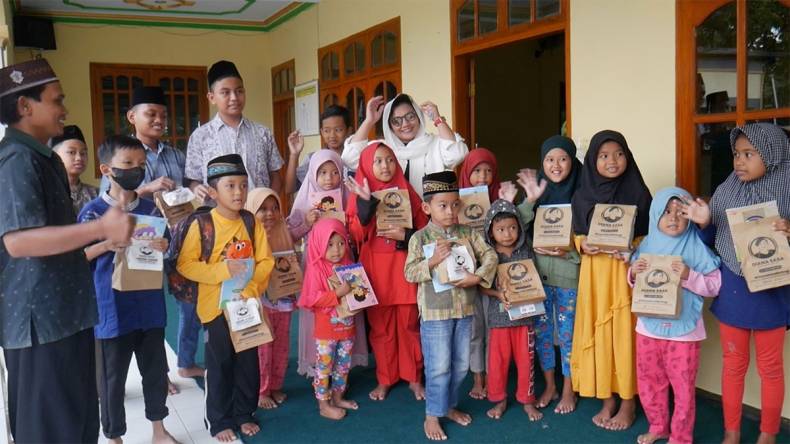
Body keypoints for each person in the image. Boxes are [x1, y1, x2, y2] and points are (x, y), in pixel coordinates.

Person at [0, 58, 133, 443]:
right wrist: (99, 228)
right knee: (50, 431)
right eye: (56, 100)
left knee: (76, 423)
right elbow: (18, 241)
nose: (64, 109)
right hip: (40, 324)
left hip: (65, 314)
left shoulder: (42, 158)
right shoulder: (16, 159)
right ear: (25, 106)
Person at [680, 123, 790, 444]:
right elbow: (709, 240)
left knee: (771, 368)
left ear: (771, 154)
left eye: (749, 154)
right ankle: (732, 431)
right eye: (736, 154)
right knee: (733, 364)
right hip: (735, 290)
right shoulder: (727, 190)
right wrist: (704, 222)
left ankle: (768, 434)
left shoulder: (787, 189)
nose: (739, 161)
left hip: (772, 293)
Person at [79, 135, 176, 444]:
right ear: (107, 169)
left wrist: (163, 245)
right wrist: (107, 244)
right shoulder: (93, 213)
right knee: (112, 379)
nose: (136, 170)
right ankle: (114, 437)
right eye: (128, 163)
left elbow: (165, 244)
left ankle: (159, 430)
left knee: (155, 372)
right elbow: (78, 257)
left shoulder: (151, 209)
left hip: (149, 305)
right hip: (111, 309)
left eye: (141, 164)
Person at [176, 154, 274, 441]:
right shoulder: (203, 224)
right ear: (213, 191)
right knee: (219, 364)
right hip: (214, 308)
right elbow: (186, 264)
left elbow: (265, 261)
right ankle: (218, 420)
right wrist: (223, 270)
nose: (238, 192)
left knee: (247, 363)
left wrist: (250, 289)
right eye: (230, 186)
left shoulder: (250, 222)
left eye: (243, 185)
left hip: (246, 306)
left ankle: (244, 413)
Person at [404, 171, 498, 441]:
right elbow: (409, 273)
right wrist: (432, 261)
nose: (449, 211)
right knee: (438, 367)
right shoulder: (420, 238)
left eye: (454, 205)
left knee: (460, 365)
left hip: (465, 311)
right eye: (442, 205)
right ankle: (432, 415)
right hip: (436, 314)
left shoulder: (468, 233)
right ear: (427, 208)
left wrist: (477, 277)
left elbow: (490, 255)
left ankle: (448, 406)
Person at [570, 130, 652, 431]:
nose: (612, 161)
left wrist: (633, 248)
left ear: (628, 157)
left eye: (619, 154)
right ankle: (607, 398)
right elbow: (576, 235)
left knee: (625, 336)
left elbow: (651, 238)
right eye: (603, 156)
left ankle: (628, 401)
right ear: (593, 160)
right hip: (596, 277)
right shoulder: (582, 196)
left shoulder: (639, 194)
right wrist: (582, 244)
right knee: (600, 333)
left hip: (625, 275)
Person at [627, 187, 721, 444]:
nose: (673, 218)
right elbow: (635, 283)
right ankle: (658, 426)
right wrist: (633, 272)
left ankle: (680, 437)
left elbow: (715, 286)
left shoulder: (697, 247)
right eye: (666, 212)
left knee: (683, 388)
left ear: (690, 215)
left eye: (681, 212)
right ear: (655, 214)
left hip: (684, 333)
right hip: (648, 328)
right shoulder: (647, 244)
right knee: (649, 382)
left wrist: (689, 275)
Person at [345, 142, 429, 401]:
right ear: (366, 165)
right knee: (381, 329)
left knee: (409, 326)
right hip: (375, 273)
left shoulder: (407, 191)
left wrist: (406, 235)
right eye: (378, 161)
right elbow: (355, 234)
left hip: (405, 271)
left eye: (390, 160)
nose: (385, 166)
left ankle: (414, 377)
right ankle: (386, 378)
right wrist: (365, 203)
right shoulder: (360, 193)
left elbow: (426, 231)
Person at [514, 135, 582, 414]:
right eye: (550, 159)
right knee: (542, 334)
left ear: (572, 161)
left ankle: (569, 388)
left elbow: (592, 239)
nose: (556, 165)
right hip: (538, 278)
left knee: (568, 337)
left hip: (569, 278)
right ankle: (550, 384)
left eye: (563, 158)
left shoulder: (582, 192)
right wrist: (530, 200)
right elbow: (513, 227)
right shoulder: (537, 191)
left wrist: (569, 252)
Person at [186, 60, 284, 202]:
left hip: (258, 213)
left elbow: (276, 176)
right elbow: (193, 179)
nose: (234, 98)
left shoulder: (263, 133)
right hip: (217, 214)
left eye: (239, 91)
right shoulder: (200, 137)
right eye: (225, 92)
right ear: (212, 98)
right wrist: (196, 188)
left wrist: (266, 204)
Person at [479, 199, 542, 421]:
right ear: (491, 231)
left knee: (526, 361)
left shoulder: (525, 251)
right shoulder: (488, 255)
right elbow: (481, 286)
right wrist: (498, 294)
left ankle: (527, 400)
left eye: (513, 227)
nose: (508, 234)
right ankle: (499, 399)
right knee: (497, 363)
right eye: (501, 229)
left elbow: (533, 280)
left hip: (525, 318)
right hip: (499, 320)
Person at [342, 94, 468, 196]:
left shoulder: (434, 144)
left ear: (419, 117)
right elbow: (350, 159)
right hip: (391, 217)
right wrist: (369, 121)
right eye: (396, 121)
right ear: (389, 126)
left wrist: (438, 119)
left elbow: (457, 154)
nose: (405, 124)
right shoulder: (382, 148)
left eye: (410, 117)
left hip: (430, 217)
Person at [299, 218, 361, 420]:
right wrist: (337, 293)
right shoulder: (316, 268)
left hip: (347, 328)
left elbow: (359, 293)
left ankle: (337, 397)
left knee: (343, 365)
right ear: (318, 244)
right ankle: (323, 404)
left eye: (341, 243)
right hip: (327, 331)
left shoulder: (349, 265)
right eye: (330, 244)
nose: (337, 250)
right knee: (324, 367)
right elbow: (312, 298)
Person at [245, 188, 299, 409]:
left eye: (275, 208)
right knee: (263, 348)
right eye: (263, 209)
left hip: (283, 300)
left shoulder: (282, 231)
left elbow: (291, 264)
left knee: (282, 345)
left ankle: (276, 385)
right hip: (260, 302)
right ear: (251, 211)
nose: (270, 213)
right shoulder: (247, 236)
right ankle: (261, 390)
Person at [457, 147, 501, 400]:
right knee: (475, 330)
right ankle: (478, 377)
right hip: (467, 277)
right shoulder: (456, 204)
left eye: (488, 171)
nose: (482, 177)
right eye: (476, 171)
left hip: (493, 277)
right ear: (466, 173)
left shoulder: (500, 201)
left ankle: (493, 377)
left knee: (493, 330)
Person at [100, 85, 187, 199]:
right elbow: (106, 202)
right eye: (151, 114)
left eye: (164, 116)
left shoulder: (177, 156)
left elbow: (187, 191)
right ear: (132, 117)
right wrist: (146, 189)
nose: (159, 120)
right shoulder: (118, 156)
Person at [285, 105, 352, 194]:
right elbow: (289, 189)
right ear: (322, 132)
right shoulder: (313, 159)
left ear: (349, 131)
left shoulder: (356, 158)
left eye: (338, 130)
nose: (332, 135)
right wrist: (294, 155)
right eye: (327, 131)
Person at [51, 124, 98, 215]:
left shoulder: (96, 193)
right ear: (55, 156)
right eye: (72, 152)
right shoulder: (47, 192)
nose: (79, 158)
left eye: (83, 153)